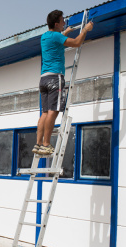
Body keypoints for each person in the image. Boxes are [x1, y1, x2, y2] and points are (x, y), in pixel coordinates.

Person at [33, 10, 93, 155]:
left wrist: (64, 32)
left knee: (45, 113)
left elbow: (57, 40)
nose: (64, 23)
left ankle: (38, 144)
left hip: (44, 79)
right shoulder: (56, 36)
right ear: (56, 23)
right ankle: (47, 144)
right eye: (62, 21)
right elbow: (77, 43)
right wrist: (85, 29)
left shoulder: (45, 36)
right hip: (55, 79)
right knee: (53, 112)